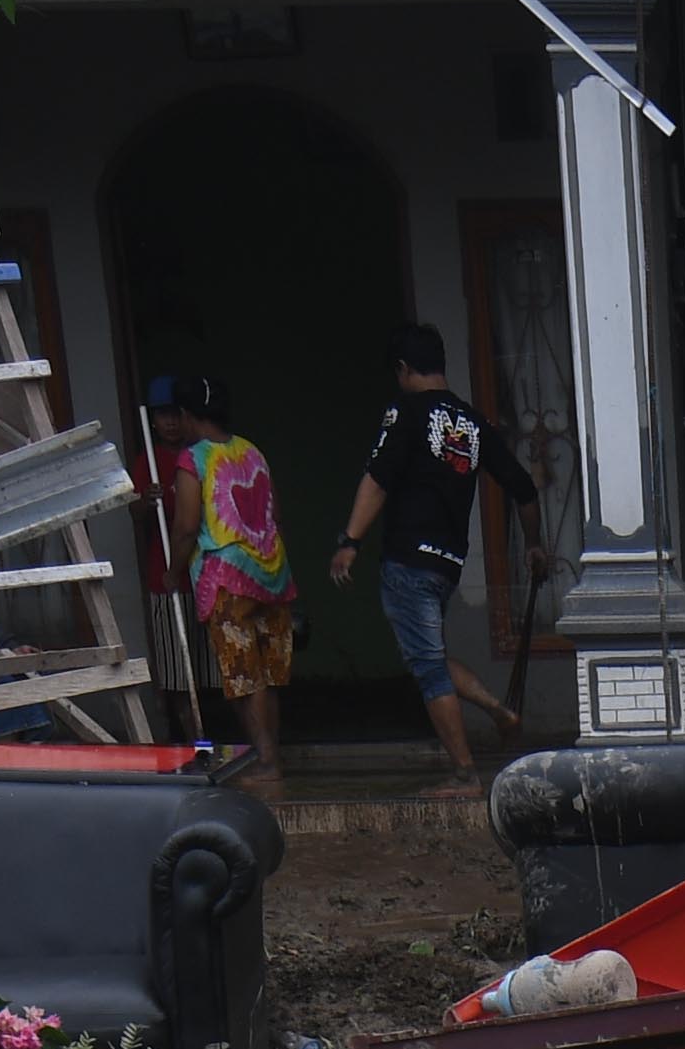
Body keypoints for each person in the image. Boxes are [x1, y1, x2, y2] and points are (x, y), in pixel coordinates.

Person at [327, 322, 538, 791]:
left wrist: (350, 541)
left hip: (407, 558)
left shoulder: (404, 413)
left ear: (403, 369)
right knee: (432, 654)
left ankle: (464, 773)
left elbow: (377, 480)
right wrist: (536, 544)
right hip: (447, 563)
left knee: (426, 666)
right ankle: (500, 711)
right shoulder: (474, 422)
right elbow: (523, 490)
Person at [146, 373, 293, 782]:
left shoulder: (193, 459)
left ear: (189, 416)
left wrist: (174, 572)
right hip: (272, 572)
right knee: (267, 675)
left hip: (228, 579)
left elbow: (187, 526)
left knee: (245, 677)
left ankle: (267, 763)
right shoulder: (253, 451)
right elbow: (275, 514)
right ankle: (271, 757)